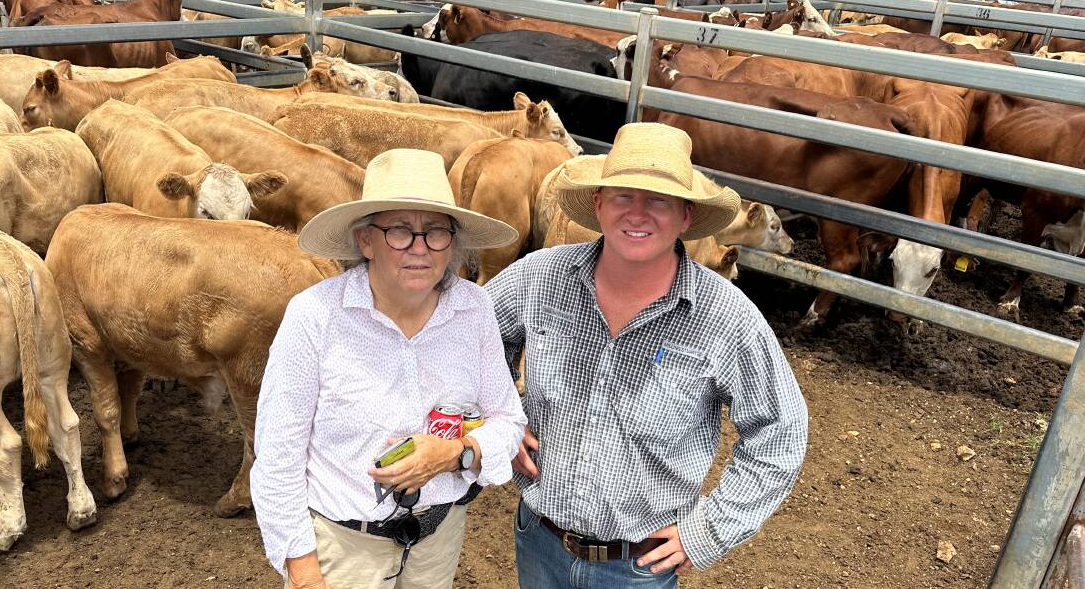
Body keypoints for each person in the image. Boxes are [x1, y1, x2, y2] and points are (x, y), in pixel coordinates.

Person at [486, 123, 809, 587]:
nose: (637, 214)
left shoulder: (725, 316)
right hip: (540, 539)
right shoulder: (540, 277)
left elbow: (781, 430)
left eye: (658, 199)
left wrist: (706, 532)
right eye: (622, 197)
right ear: (598, 205)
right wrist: (500, 418)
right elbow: (469, 342)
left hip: (638, 567)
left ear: (686, 215)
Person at [251, 148, 528, 589]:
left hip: (436, 542)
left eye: (435, 232)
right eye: (399, 231)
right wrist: (303, 573)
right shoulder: (315, 316)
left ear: (452, 243)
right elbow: (278, 460)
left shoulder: (473, 308)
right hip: (342, 551)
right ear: (366, 241)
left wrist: (455, 453)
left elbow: (508, 419)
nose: (420, 249)